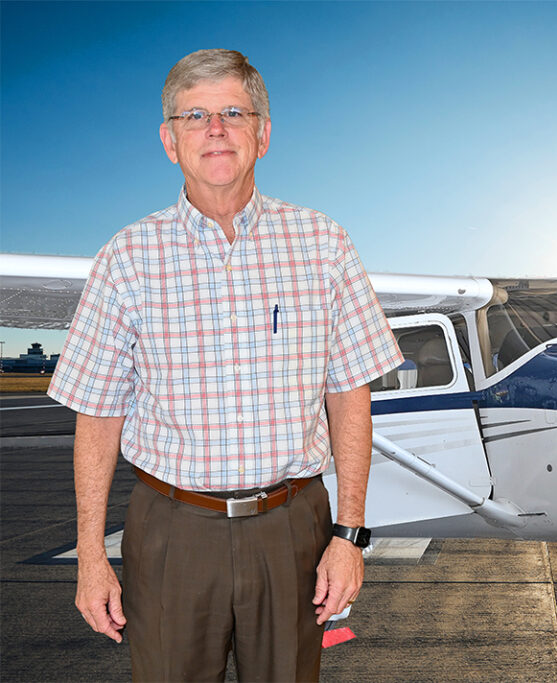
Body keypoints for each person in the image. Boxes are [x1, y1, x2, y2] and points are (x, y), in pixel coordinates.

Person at [47, 48, 403, 681]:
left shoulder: (324, 243)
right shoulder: (126, 257)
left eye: (234, 113)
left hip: (293, 529)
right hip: (172, 531)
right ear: (169, 141)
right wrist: (90, 557)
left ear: (262, 135)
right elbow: (97, 414)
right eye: (195, 116)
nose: (215, 129)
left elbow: (350, 393)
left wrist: (349, 536)